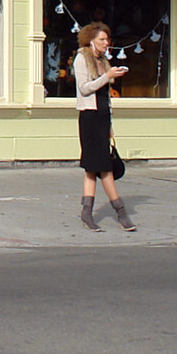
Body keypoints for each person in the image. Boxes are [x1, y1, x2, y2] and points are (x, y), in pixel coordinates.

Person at [74, 22, 136, 232]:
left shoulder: (104, 60)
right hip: (89, 117)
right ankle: (121, 212)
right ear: (91, 40)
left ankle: (86, 213)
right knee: (105, 169)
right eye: (102, 39)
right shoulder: (82, 58)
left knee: (92, 170)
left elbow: (105, 98)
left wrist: (110, 124)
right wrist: (107, 77)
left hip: (102, 118)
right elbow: (84, 88)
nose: (106, 43)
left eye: (107, 39)